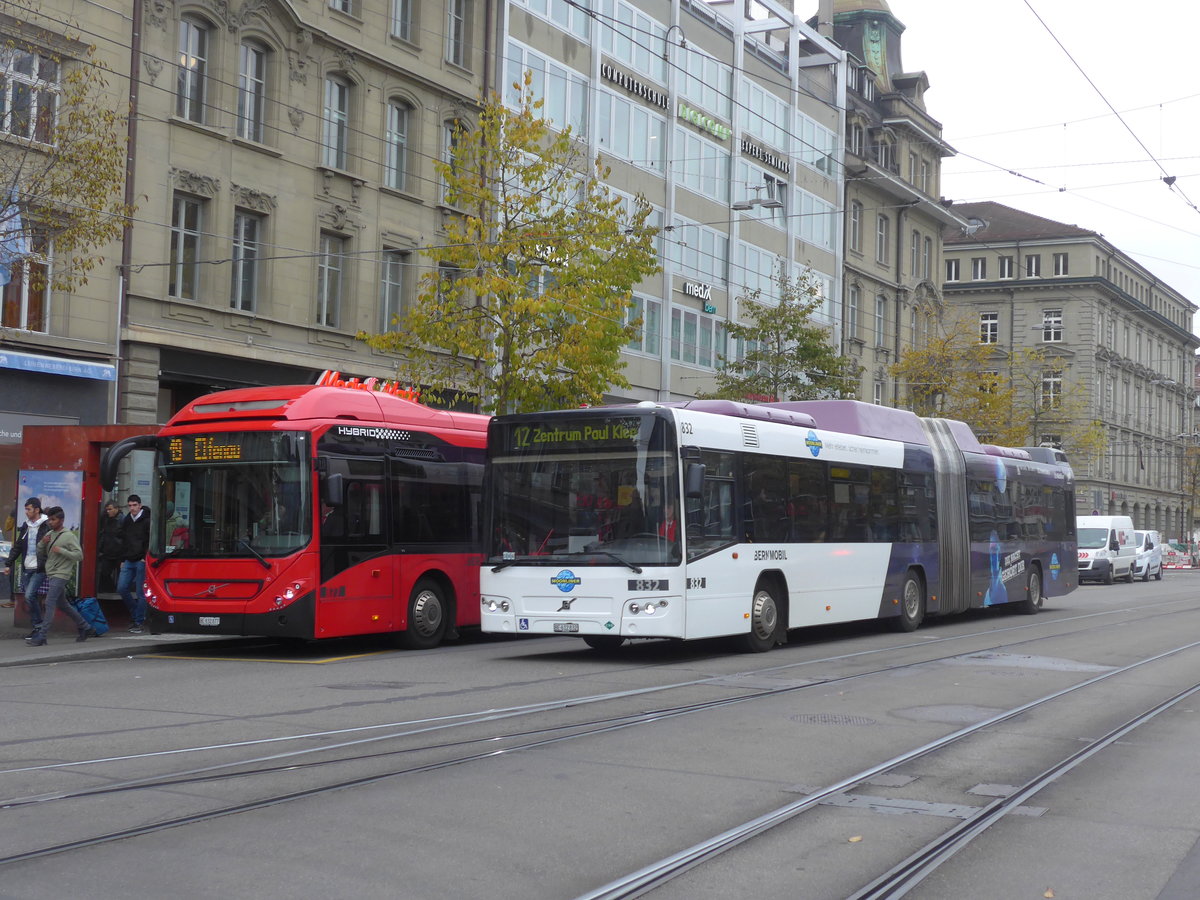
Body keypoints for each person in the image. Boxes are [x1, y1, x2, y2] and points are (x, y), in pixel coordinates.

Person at [27, 506, 91, 646]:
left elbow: (79, 555)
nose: (50, 522)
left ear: (61, 520)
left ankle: (42, 636)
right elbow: (39, 550)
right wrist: (43, 543)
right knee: (62, 604)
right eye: (49, 519)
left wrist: (62, 551)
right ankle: (85, 627)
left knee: (49, 602)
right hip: (51, 572)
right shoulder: (49, 533)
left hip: (61, 573)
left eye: (53, 519)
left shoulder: (69, 536)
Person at [3, 498, 50, 634]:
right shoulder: (26, 525)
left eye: (28, 509)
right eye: (25, 509)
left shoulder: (46, 524)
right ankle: (38, 627)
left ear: (36, 509)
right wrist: (8, 563)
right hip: (27, 566)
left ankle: (39, 625)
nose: (26, 512)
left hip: (39, 567)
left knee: (29, 596)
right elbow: (18, 546)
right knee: (31, 597)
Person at [117, 494, 151, 634]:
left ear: (140, 505)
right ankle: (137, 613)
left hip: (141, 560)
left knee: (140, 592)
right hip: (128, 559)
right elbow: (123, 541)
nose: (132, 508)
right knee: (122, 588)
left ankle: (138, 621)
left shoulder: (147, 520)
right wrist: (122, 559)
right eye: (130, 505)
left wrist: (145, 557)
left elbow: (150, 540)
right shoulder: (127, 520)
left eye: (134, 505)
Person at [97, 500, 124, 592]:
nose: (108, 511)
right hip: (108, 551)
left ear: (116, 509)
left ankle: (116, 590)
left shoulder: (122, 520)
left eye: (110, 509)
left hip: (119, 552)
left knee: (120, 575)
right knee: (104, 573)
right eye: (107, 510)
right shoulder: (106, 518)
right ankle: (110, 589)